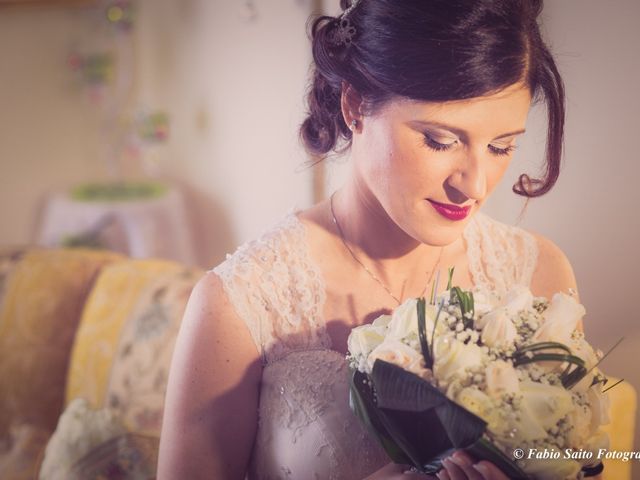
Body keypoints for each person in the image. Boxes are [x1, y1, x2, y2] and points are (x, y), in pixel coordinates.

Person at [157, 0, 585, 479]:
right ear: (356, 104)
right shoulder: (240, 303)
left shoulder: (537, 276)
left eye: (501, 146)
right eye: (441, 141)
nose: (476, 185)